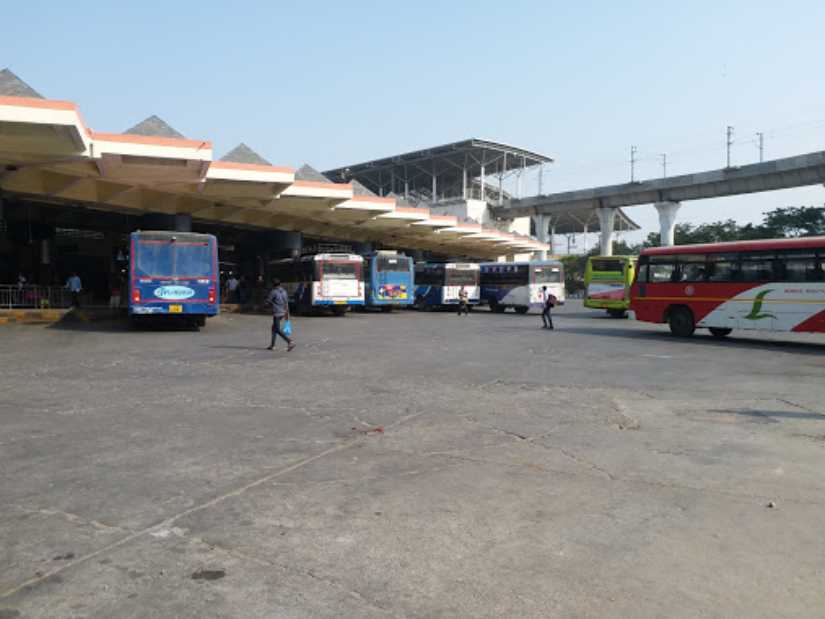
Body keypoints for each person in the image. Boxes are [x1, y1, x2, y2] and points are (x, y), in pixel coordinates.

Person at [264, 279, 295, 352]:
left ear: (273, 285)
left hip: (277, 313)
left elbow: (267, 301)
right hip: (283, 312)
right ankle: (272, 345)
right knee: (274, 327)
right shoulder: (284, 291)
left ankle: (290, 341)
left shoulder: (273, 292)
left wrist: (264, 304)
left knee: (277, 329)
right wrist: (287, 313)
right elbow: (286, 302)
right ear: (280, 284)